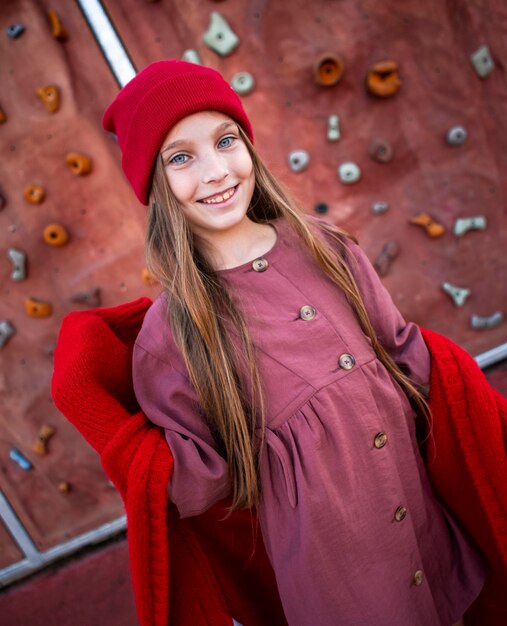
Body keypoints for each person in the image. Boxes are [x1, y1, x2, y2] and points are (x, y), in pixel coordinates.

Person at [101, 60, 485, 626]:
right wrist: (114, 434)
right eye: (180, 157)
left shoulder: (326, 248)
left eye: (225, 140)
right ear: (154, 184)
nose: (214, 172)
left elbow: (409, 360)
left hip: (425, 523)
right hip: (340, 579)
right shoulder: (173, 336)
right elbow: (195, 480)